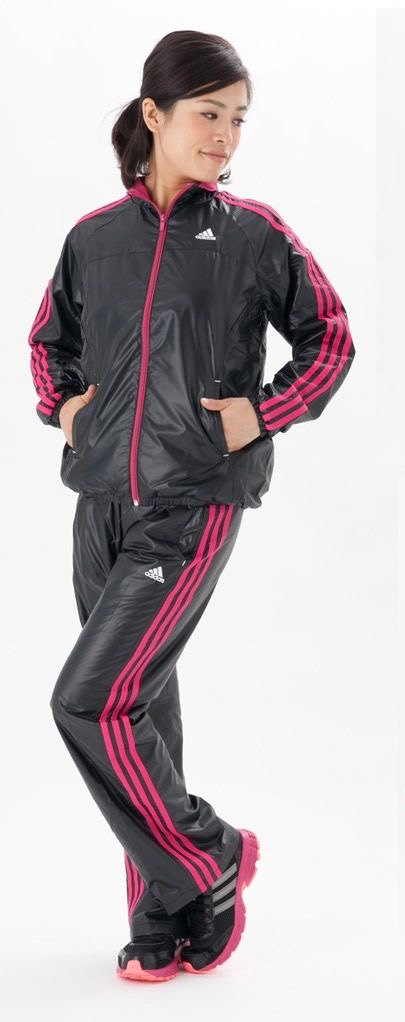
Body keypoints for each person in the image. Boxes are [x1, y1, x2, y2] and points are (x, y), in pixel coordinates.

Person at [27, 29, 356, 983]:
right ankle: (164, 914)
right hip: (101, 504)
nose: (225, 135)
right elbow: (50, 343)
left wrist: (264, 412)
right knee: (136, 710)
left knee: (86, 700)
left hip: (193, 500)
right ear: (154, 114)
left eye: (238, 119)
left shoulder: (251, 233)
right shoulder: (94, 237)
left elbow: (330, 338)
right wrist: (66, 409)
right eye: (209, 114)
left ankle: (210, 854)